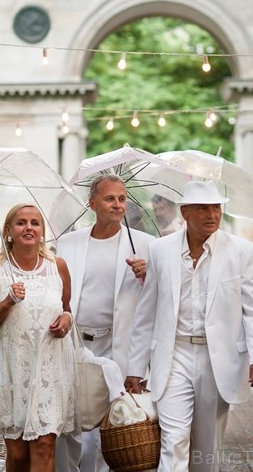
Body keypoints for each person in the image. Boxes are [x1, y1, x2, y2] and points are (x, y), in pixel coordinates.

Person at [125, 181, 253, 472]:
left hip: (217, 358)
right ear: (185, 212)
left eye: (216, 208)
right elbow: (147, 312)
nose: (212, 215)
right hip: (173, 355)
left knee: (207, 449)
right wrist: (136, 367)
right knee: (173, 439)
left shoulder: (242, 251)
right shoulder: (160, 250)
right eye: (203, 208)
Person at [0, 203, 78, 472]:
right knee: (17, 456)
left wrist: (66, 320)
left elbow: (66, 310)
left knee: (44, 446)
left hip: (49, 371)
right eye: (21, 222)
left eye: (35, 223)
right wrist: (8, 301)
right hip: (11, 371)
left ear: (42, 232)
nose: (29, 227)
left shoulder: (57, 266)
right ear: (8, 231)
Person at [56, 174, 155, 472]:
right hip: (73, 342)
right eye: (110, 198)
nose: (117, 204)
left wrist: (148, 276)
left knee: (112, 421)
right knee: (68, 419)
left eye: (122, 199)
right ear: (92, 203)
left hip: (118, 343)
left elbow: (163, 300)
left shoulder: (146, 245)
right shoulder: (68, 243)